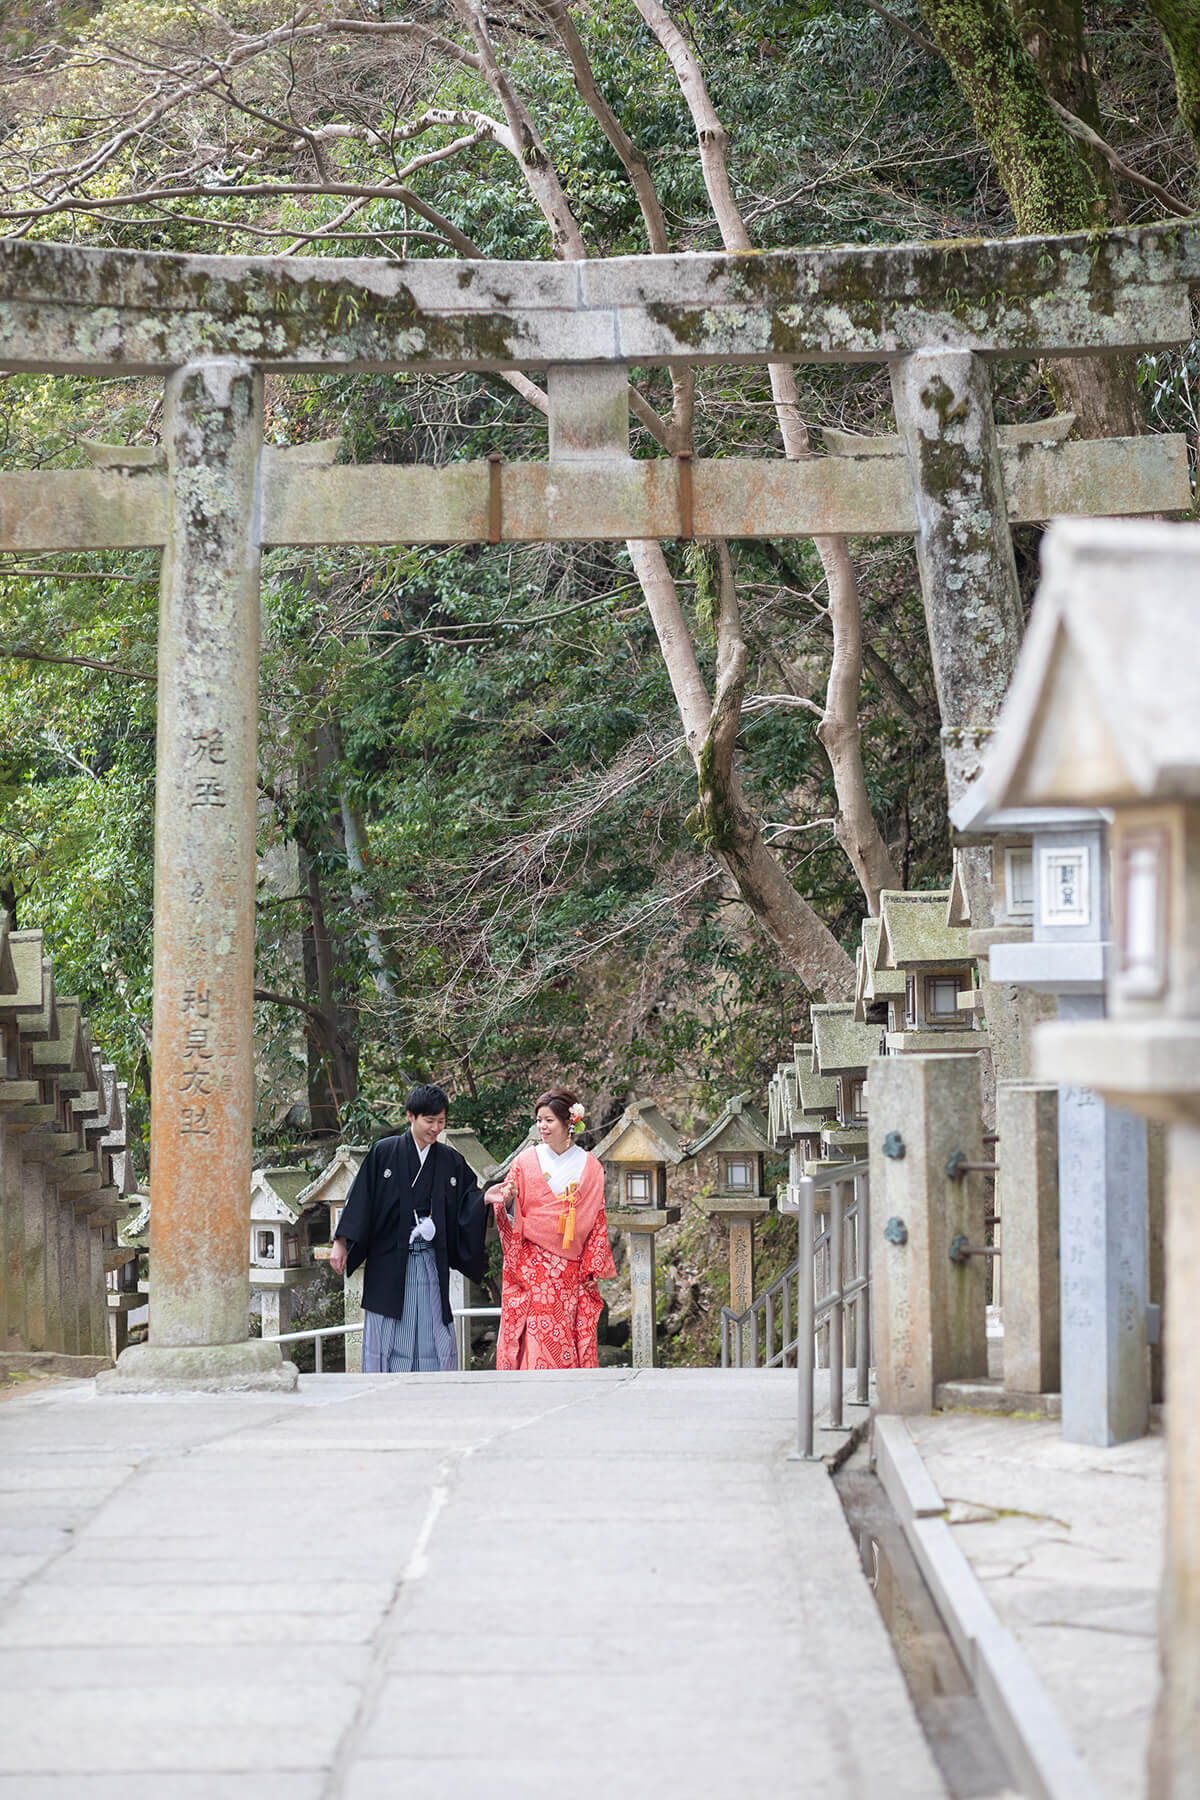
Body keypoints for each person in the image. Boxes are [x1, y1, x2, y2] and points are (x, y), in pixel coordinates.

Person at [329, 1084, 488, 1373]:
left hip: (429, 1259)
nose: (436, 1128)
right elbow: (361, 1199)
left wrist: (487, 1198)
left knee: (432, 1324)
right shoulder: (384, 1152)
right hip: (389, 1259)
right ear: (410, 1116)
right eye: (430, 1121)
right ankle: (382, 1387)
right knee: (387, 1327)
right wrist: (341, 1241)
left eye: (441, 1121)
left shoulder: (449, 1160)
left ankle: (435, 1387)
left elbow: (469, 1199)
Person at [485, 1087, 616, 1370]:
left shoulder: (590, 1166)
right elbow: (508, 1212)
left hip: (571, 1270)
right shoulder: (525, 1161)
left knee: (566, 1336)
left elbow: (596, 1219)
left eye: (548, 1120)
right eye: (539, 1120)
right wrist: (507, 1202)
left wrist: (590, 1268)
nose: (541, 1127)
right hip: (531, 1267)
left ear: (569, 1122)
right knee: (533, 1335)